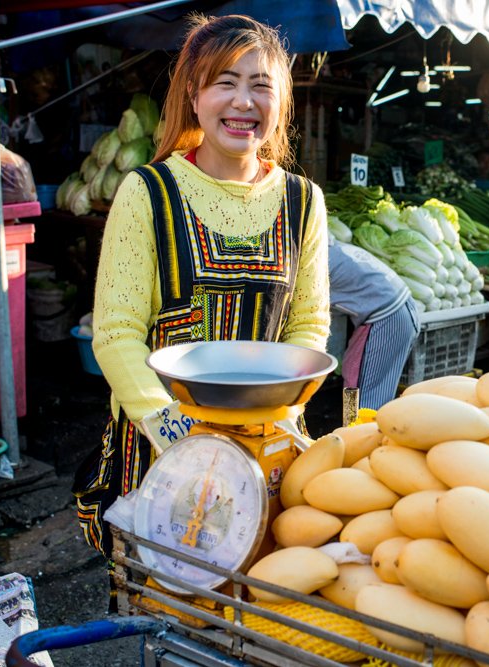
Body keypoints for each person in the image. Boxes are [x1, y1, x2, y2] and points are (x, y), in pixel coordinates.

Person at [73, 14, 330, 558]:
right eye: (225, 83)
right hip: (159, 451)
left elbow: (309, 324)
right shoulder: (147, 191)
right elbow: (116, 333)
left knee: (253, 612)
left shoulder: (304, 201)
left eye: (261, 86)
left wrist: (275, 423)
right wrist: (180, 439)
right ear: (194, 95)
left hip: (266, 450)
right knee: (166, 615)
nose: (243, 103)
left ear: (281, 102)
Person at [328, 238, 420, 410]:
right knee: (376, 391)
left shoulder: (317, 261)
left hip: (386, 318)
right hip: (405, 308)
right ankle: (369, 432)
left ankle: (356, 434)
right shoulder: (338, 248)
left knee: (359, 393)